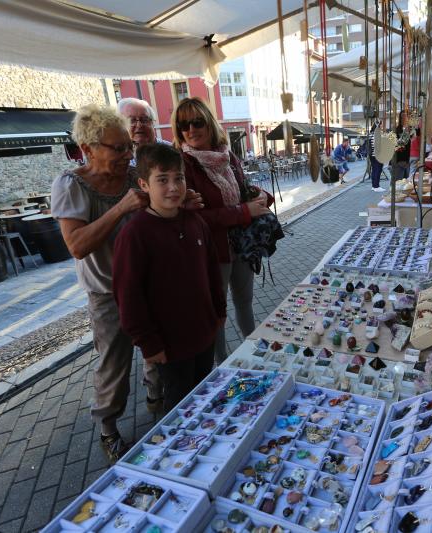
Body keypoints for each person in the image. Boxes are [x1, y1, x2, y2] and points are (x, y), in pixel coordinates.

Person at [51, 104, 166, 461]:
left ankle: (157, 399)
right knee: (113, 365)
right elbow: (77, 246)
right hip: (107, 293)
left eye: (128, 147)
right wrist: (120, 208)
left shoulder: (134, 176)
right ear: (89, 148)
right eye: (118, 148)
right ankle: (108, 428)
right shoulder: (71, 185)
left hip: (146, 286)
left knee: (157, 352)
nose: (127, 154)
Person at [113, 144, 225, 411]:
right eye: (162, 180)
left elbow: (212, 271)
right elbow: (128, 297)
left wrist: (219, 311)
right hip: (169, 346)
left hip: (204, 333)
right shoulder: (134, 236)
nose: (173, 187)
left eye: (179, 178)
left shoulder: (195, 222)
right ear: (144, 184)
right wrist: (149, 345)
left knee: (204, 394)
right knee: (179, 405)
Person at [171, 97, 272, 365]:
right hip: (211, 250)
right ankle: (223, 363)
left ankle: (255, 353)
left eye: (197, 122)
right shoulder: (182, 165)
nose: (191, 129)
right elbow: (197, 218)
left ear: (209, 122)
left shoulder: (229, 156)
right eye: (183, 125)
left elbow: (241, 192)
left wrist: (259, 196)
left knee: (245, 301)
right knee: (217, 311)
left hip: (241, 242)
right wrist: (243, 212)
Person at [117, 97, 171, 166]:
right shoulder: (118, 160)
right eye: (132, 120)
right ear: (121, 125)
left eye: (144, 119)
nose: (139, 125)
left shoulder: (171, 151)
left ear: (153, 123)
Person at [367, 120, 386, 192]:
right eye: (381, 125)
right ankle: (376, 186)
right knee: (378, 170)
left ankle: (374, 186)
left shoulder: (371, 133)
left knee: (374, 170)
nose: (382, 126)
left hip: (372, 155)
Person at [392, 111, 411, 182]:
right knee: (397, 184)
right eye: (403, 117)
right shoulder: (396, 130)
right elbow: (394, 145)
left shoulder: (410, 130)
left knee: (406, 184)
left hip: (407, 161)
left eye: (406, 117)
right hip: (398, 161)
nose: (405, 118)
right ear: (400, 118)